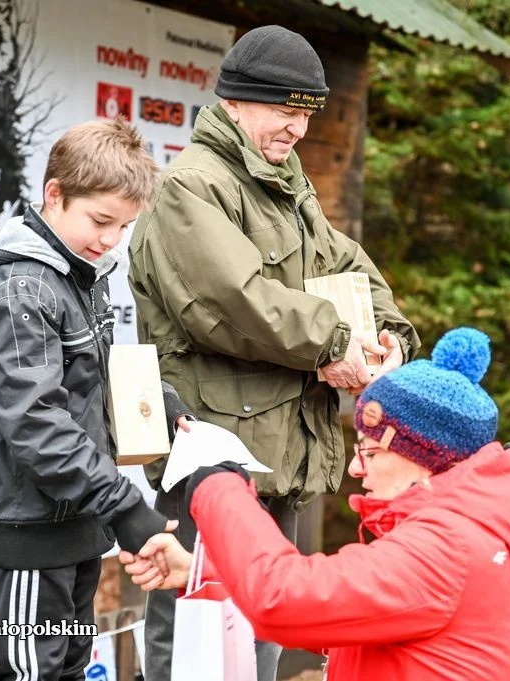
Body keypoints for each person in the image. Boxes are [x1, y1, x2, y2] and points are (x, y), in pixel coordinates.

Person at [128, 24, 421, 681]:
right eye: (285, 112)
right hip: (212, 460)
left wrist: (388, 334)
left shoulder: (284, 184)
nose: (298, 130)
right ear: (235, 102)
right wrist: (335, 342)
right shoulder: (191, 189)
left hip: (277, 454)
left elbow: (344, 264)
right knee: (198, 644)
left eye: (306, 115)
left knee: (258, 635)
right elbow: (236, 299)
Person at [121, 328, 510, 680]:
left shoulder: (443, 547)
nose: (358, 470)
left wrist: (217, 482)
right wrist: (203, 572)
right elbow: (344, 615)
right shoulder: (462, 533)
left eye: (371, 451)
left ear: (425, 459)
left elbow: (283, 598)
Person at [0, 119, 192, 681]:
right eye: (101, 220)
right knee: (33, 671)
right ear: (54, 194)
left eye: (125, 226)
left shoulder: (81, 272)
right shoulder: (21, 288)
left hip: (80, 515)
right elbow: (37, 424)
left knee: (69, 667)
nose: (112, 239)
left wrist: (162, 405)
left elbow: (97, 375)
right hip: (32, 526)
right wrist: (124, 506)